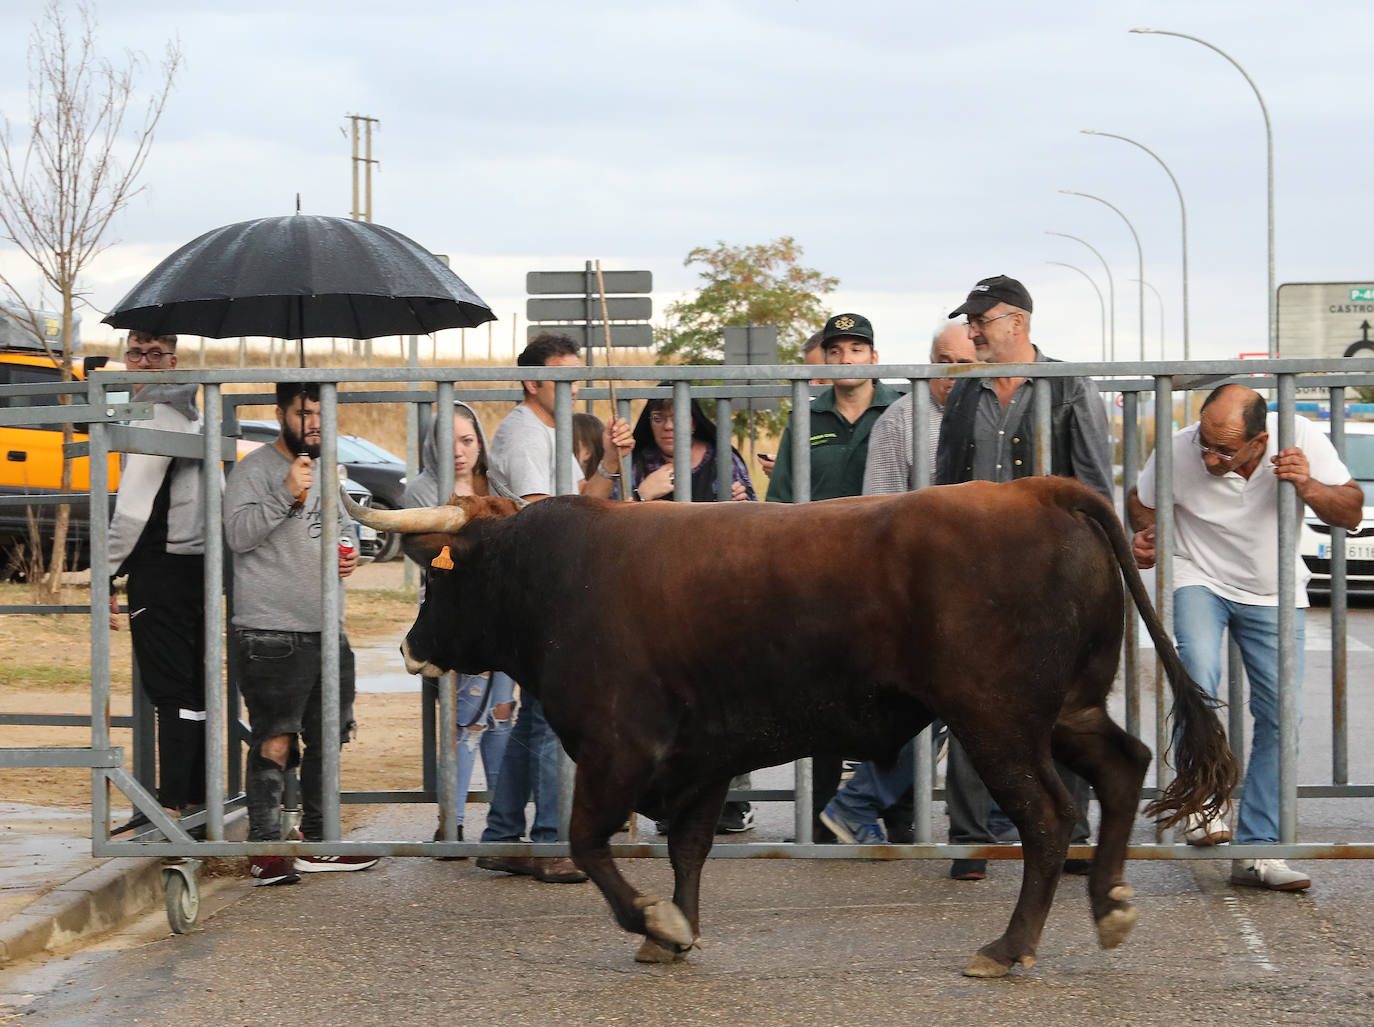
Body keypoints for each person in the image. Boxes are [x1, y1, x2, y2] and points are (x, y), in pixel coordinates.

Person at [1128, 384, 1361, 892]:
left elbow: (1351, 510)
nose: (1210, 458)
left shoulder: (1299, 437)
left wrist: (1310, 487)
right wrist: (1148, 536)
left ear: (1260, 440)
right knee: (1200, 681)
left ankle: (1258, 851)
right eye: (1205, 445)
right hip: (1198, 576)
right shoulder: (1178, 447)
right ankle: (1203, 802)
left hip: (1274, 588)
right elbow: (1140, 503)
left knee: (1282, 715)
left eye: (1226, 450)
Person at [475, 332, 633, 884]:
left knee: (537, 715)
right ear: (532, 382)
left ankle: (501, 834)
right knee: (550, 719)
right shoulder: (522, 435)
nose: (576, 388)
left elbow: (582, 500)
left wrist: (611, 462)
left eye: (578, 377)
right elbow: (550, 520)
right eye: (564, 378)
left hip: (547, 590)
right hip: (539, 591)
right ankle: (548, 841)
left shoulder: (551, 432)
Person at [818, 322, 977, 845]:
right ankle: (858, 802)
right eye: (943, 361)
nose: (953, 374)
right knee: (945, 700)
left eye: (964, 364)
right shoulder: (902, 419)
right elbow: (878, 510)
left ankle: (865, 803)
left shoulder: (990, 414)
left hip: (979, 588)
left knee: (967, 701)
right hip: (917, 591)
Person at [223, 382, 378, 886]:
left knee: (328, 736)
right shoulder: (253, 470)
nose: (313, 422)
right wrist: (285, 492)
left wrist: (349, 552)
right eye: (302, 412)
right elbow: (238, 535)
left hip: (326, 628)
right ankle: (267, 851)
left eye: (320, 413)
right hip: (270, 630)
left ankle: (318, 841)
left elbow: (343, 530)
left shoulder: (329, 469)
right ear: (280, 414)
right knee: (275, 738)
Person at [766, 313, 900, 840]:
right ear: (824, 358)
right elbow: (779, 501)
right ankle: (824, 814)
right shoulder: (805, 418)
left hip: (888, 579)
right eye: (836, 350)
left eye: (856, 350)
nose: (845, 360)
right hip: (820, 581)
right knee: (823, 697)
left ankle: (896, 812)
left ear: (873, 356)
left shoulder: (901, 411)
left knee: (894, 695)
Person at [620, 388, 758, 832]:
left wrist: (744, 507)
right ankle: (671, 801)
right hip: (653, 601)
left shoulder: (723, 457)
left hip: (720, 597)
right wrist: (643, 494)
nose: (667, 425)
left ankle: (733, 802)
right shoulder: (638, 460)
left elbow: (759, 519)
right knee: (667, 705)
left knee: (729, 699)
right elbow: (608, 525)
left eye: (676, 416)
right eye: (658, 417)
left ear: (695, 420)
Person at [108, 331, 209, 833]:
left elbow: (131, 509)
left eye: (154, 354)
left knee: (171, 692)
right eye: (135, 353)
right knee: (194, 691)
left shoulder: (158, 415)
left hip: (162, 568)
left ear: (173, 361)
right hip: (196, 569)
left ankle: (169, 809)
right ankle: (193, 797)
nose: (143, 363)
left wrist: (104, 570)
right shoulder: (194, 412)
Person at [405, 400, 514, 857]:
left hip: (505, 622)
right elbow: (424, 553)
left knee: (503, 718)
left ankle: (502, 824)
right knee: (463, 720)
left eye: (467, 440)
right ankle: (451, 824)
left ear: (480, 443)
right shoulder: (421, 492)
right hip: (455, 623)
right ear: (432, 446)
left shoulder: (501, 488)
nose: (459, 452)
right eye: (446, 442)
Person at [760, 329, 830, 479]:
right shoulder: (806, 418)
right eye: (809, 376)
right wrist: (784, 473)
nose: (812, 383)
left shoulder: (886, 417)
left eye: (821, 375)